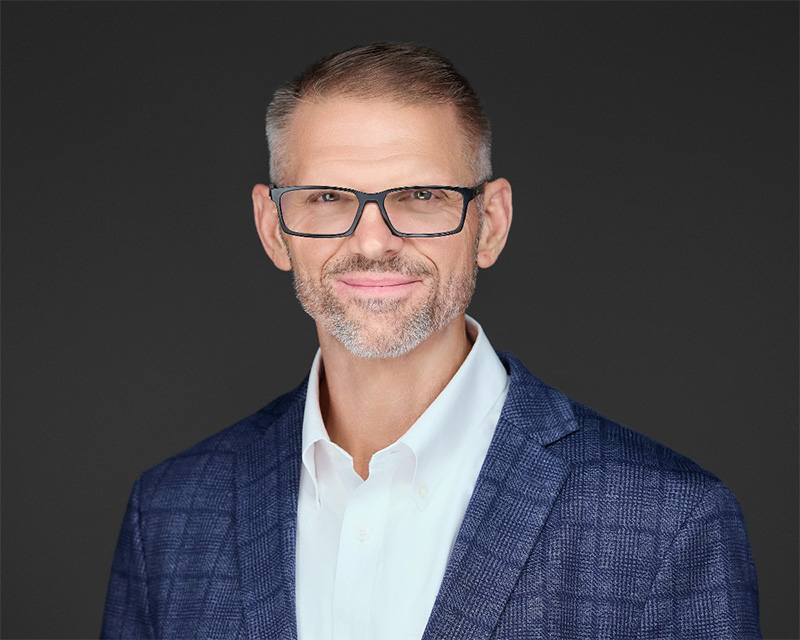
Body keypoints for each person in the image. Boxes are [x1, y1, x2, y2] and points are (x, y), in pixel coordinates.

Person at [101, 42, 760, 639]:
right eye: (328, 196)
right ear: (274, 228)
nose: (372, 242)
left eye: (420, 195)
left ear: (491, 223)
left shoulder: (669, 522)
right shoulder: (169, 514)